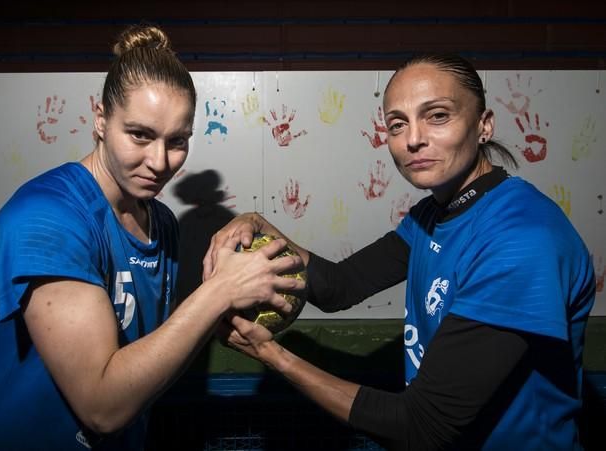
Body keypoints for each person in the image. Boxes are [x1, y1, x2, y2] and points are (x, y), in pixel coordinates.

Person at [0, 24, 304, 451]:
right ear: (100, 118)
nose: (160, 162)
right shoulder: (45, 219)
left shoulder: (161, 221)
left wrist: (226, 308)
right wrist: (220, 292)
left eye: (178, 142)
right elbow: (103, 406)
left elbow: (147, 354)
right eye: (140, 135)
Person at [204, 54, 596, 450]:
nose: (413, 139)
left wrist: (272, 355)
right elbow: (340, 286)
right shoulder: (433, 215)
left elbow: (423, 428)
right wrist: (260, 223)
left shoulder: (521, 240)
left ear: (483, 125)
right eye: (397, 123)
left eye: (437, 115)